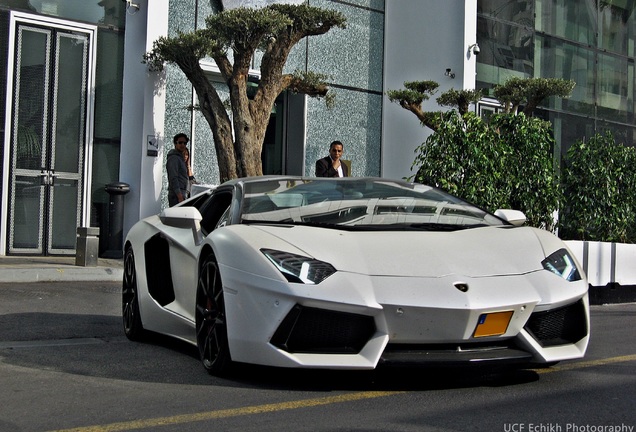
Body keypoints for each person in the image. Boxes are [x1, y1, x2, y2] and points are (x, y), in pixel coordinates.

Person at [166, 133, 189, 206]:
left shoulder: (180, 158)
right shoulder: (174, 158)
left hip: (181, 193)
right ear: (175, 143)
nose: (182, 145)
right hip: (176, 196)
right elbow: (173, 178)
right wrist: (179, 196)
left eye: (184, 143)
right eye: (180, 142)